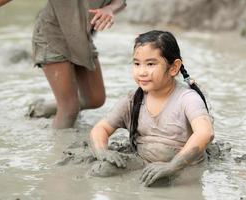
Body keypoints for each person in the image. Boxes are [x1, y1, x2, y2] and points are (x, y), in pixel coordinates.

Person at [89, 30, 214, 187]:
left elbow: (205, 133)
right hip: (144, 161)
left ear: (174, 68)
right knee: (101, 170)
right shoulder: (133, 99)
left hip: (184, 166)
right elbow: (101, 128)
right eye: (136, 64)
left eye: (150, 64)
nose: (142, 72)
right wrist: (103, 153)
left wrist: (172, 166)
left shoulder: (187, 98)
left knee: (157, 184)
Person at [0, 0, 126, 129]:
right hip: (51, 35)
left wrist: (109, 9)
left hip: (81, 38)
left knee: (95, 99)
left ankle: (42, 108)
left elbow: (119, 1)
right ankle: (60, 153)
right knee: (69, 110)